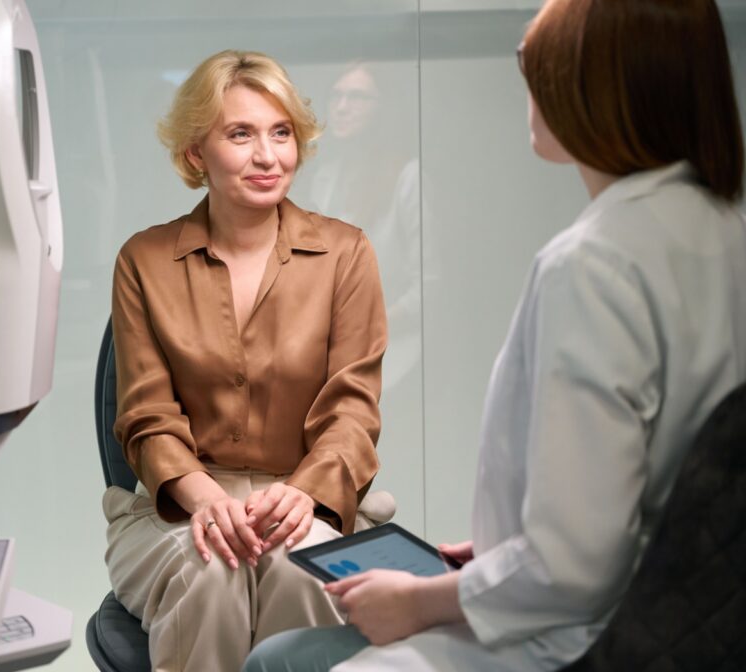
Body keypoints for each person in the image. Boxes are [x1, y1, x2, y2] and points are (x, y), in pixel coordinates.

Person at [243, 0, 746, 670]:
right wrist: (498, 555)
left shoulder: (593, 266)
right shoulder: (721, 228)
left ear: (590, 87)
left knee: (277, 661)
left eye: (534, 67)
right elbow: (636, 502)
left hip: (581, 637)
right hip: (659, 612)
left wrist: (422, 601)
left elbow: (573, 566)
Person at [103, 49, 394, 672]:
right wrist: (205, 497)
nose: (269, 156)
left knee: (300, 572)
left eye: (281, 132)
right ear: (195, 154)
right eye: (241, 134)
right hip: (182, 501)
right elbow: (146, 417)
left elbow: (353, 412)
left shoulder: (346, 254)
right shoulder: (144, 261)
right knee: (212, 571)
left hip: (310, 496)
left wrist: (304, 495)